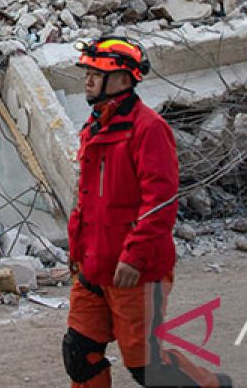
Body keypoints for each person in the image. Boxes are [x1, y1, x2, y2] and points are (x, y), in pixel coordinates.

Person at [65, 37, 230, 388]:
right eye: (89, 73)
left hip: (133, 271)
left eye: (98, 73)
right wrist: (77, 249)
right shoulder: (94, 128)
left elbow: (161, 201)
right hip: (94, 265)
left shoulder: (148, 128)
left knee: (146, 366)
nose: (88, 80)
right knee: (80, 353)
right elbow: (88, 200)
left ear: (124, 80)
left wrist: (134, 257)